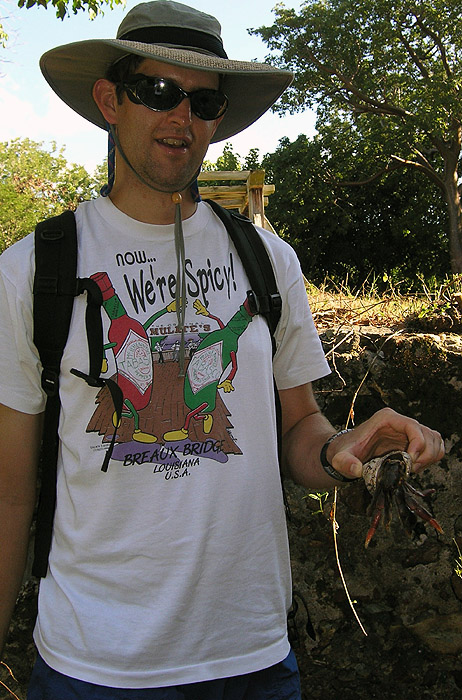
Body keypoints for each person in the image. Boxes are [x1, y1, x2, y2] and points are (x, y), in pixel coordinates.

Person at [0, 2, 444, 698]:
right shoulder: (34, 271)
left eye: (203, 101)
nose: (181, 116)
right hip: (95, 664)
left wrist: (342, 449)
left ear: (217, 119)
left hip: (252, 659)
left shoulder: (268, 261)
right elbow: (10, 491)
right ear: (110, 100)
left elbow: (300, 427)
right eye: (157, 91)